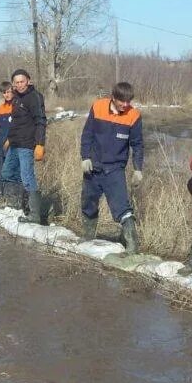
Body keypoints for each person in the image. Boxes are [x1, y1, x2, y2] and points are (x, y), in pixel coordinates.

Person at [79, 82, 144, 254]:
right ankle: (88, 238)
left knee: (122, 207)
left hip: (115, 168)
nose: (125, 105)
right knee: (88, 203)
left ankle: (132, 248)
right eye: (122, 101)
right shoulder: (98, 107)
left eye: (128, 101)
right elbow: (87, 134)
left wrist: (138, 168)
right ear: (113, 98)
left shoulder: (134, 116)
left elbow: (137, 144)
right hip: (93, 166)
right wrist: (85, 157)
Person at [0, 69, 47, 224]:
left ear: (28, 80)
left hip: (27, 144)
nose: (19, 85)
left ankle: (34, 215)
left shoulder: (34, 97)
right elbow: (15, 123)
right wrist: (8, 139)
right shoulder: (16, 98)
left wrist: (40, 144)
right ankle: (16, 204)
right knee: (7, 172)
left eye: (22, 81)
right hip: (14, 143)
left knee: (27, 177)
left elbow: (40, 121)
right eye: (16, 82)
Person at [0, 81, 14, 187]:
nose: (7, 94)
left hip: (12, 143)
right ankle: (0, 190)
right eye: (4, 92)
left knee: (9, 169)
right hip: (1, 143)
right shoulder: (0, 109)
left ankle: (10, 190)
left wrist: (9, 141)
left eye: (9, 92)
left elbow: (17, 128)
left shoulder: (17, 106)